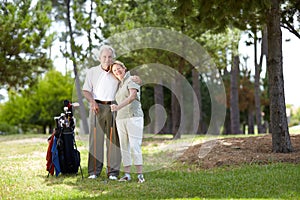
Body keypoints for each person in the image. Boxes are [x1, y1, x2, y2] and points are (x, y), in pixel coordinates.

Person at [82, 45, 121, 180]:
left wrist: (136, 80)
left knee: (113, 141)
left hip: (112, 107)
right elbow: (86, 90)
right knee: (95, 140)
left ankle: (113, 173)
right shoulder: (92, 72)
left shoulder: (116, 71)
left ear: (113, 58)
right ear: (99, 58)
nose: (107, 59)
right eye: (104, 57)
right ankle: (93, 171)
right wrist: (92, 102)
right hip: (96, 107)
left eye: (109, 57)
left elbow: (128, 79)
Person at [110, 60, 145, 183]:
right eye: (114, 71)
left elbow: (132, 96)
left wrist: (118, 107)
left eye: (119, 68)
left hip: (133, 117)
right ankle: (127, 174)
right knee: (124, 147)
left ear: (124, 68)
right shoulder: (119, 85)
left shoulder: (131, 80)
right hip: (121, 118)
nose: (117, 71)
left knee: (135, 145)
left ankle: (140, 175)